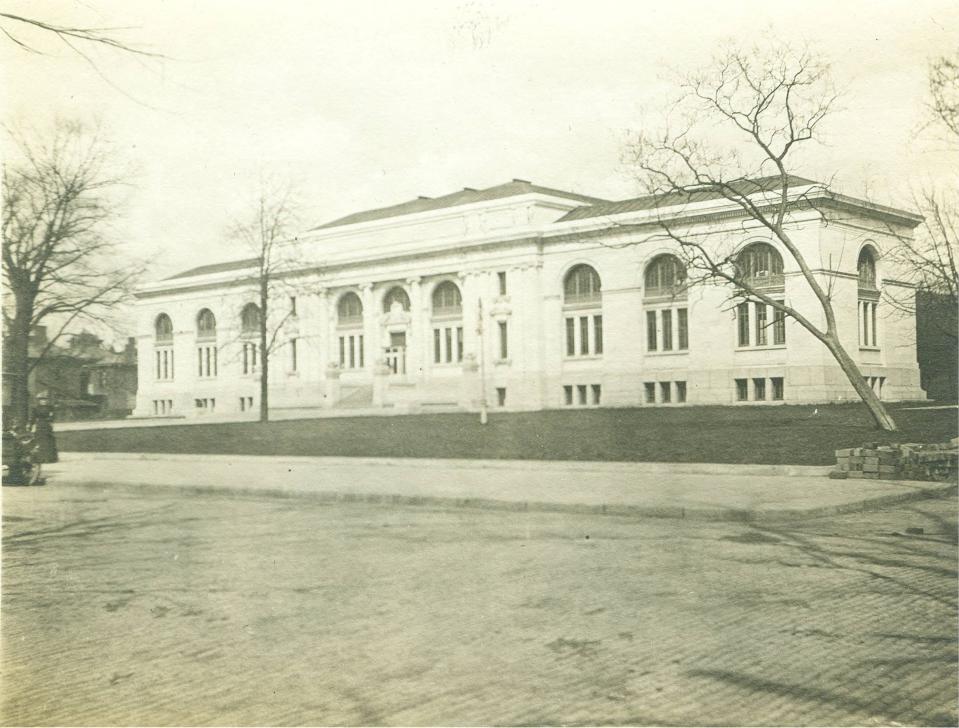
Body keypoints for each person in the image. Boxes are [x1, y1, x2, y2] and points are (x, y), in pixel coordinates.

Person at [31, 394, 58, 464]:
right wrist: (31, 425)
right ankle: (40, 458)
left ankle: (49, 458)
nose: (43, 401)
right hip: (39, 425)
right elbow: (33, 417)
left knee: (48, 441)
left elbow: (53, 415)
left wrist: (51, 420)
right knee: (40, 441)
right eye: (42, 400)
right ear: (39, 401)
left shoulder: (50, 408)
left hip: (47, 425)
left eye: (45, 400)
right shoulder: (36, 408)